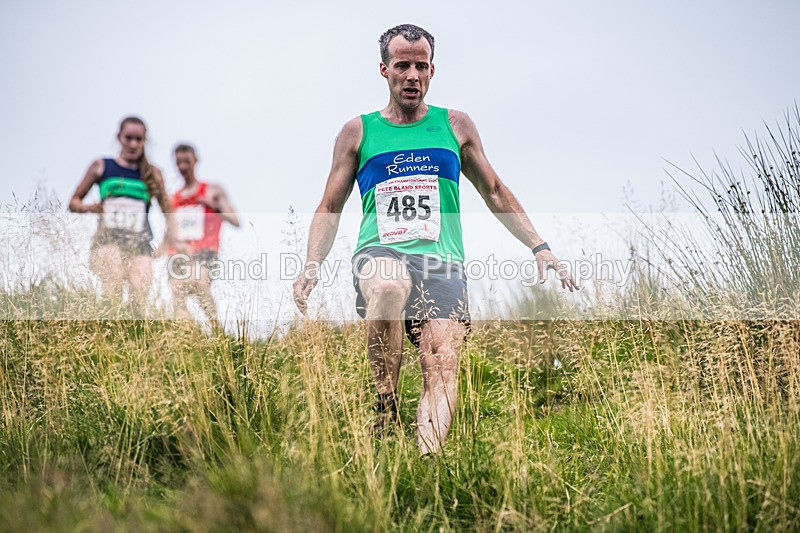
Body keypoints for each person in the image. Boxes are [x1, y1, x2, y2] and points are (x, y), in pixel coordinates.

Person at [292, 24, 577, 456]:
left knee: (440, 364)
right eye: (402, 65)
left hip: (443, 263)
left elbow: (495, 190)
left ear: (432, 71)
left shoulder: (455, 125)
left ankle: (429, 458)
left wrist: (539, 246)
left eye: (420, 66)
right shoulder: (358, 132)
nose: (412, 75)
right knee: (387, 286)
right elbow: (329, 203)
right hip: (381, 249)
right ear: (384, 69)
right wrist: (311, 263)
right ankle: (386, 403)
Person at [69, 115, 175, 311]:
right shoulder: (101, 166)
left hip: (140, 242)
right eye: (128, 138)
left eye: (138, 139)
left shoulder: (153, 174)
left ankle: (133, 338)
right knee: (114, 288)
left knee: (140, 295)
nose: (133, 144)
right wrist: (90, 207)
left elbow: (169, 212)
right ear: (119, 137)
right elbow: (74, 202)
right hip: (107, 239)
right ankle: (108, 335)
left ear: (145, 141)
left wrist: (165, 242)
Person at [165, 143, 239, 326]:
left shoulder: (212, 190)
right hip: (178, 252)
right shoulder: (173, 198)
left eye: (186, 162)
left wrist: (214, 205)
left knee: (199, 283)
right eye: (179, 162)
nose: (183, 167)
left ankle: (216, 331)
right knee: (177, 290)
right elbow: (170, 231)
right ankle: (188, 336)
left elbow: (235, 220)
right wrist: (157, 250)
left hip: (205, 250)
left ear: (195, 161)